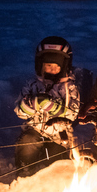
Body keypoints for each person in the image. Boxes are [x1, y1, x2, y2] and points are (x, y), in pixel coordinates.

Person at [14, 36, 81, 176]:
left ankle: (53, 184)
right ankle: (25, 174)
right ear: (40, 65)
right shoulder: (32, 84)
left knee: (58, 166)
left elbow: (72, 114)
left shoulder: (69, 87)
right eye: (48, 66)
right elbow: (19, 111)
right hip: (35, 129)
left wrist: (51, 106)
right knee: (26, 144)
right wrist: (33, 104)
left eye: (56, 67)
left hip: (59, 133)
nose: (52, 69)